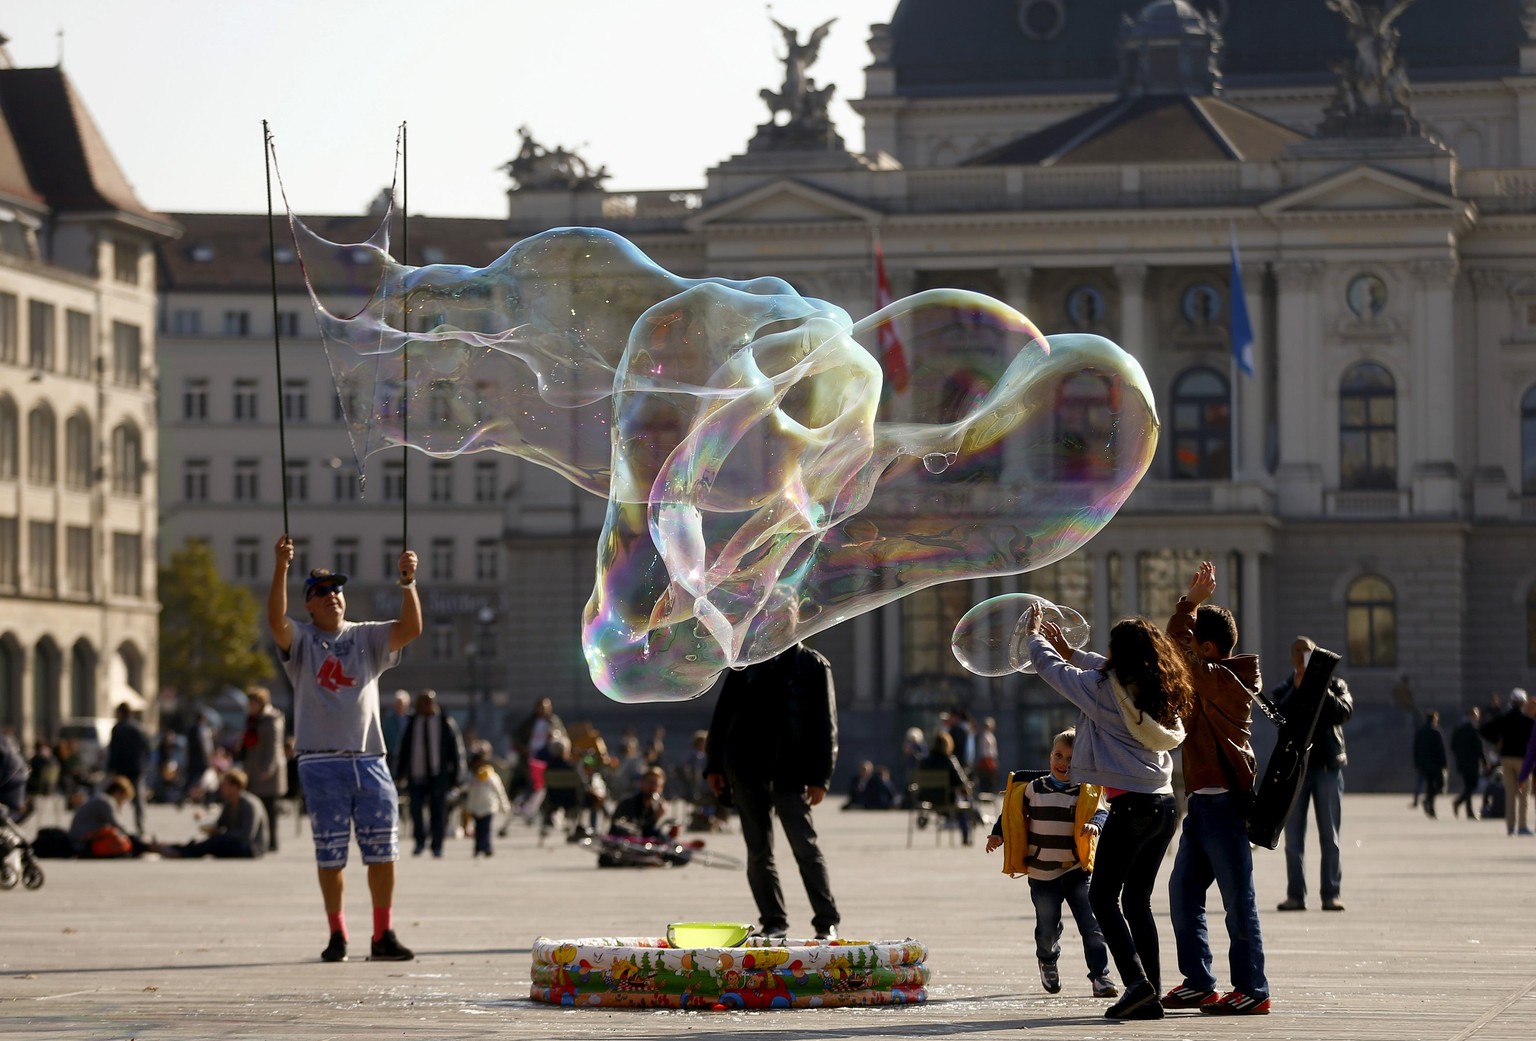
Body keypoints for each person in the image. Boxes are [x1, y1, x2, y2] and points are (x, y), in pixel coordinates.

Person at [1024, 607, 1190, 1021]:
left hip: (1133, 806)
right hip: (1164, 806)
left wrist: (1033, 638)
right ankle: (1147, 989)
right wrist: (1074, 652)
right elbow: (1104, 672)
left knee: (1101, 896)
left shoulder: (1101, 691)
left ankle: (1136, 986)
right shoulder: (1153, 686)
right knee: (1136, 901)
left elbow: (1051, 671)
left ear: (1120, 654)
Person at [268, 535, 422, 963]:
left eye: (337, 590)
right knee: (330, 853)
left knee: (383, 851)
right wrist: (281, 566)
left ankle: (382, 934)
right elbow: (275, 619)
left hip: (369, 758)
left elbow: (410, 630)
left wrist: (408, 584)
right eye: (322, 592)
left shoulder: (366, 638)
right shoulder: (299, 641)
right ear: (310, 605)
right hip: (320, 762)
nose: (333, 596)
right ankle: (337, 933)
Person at [1161, 562, 1270, 1016]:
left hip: (1225, 807)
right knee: (1183, 894)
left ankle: (1252, 988)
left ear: (1207, 648)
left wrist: (1190, 603)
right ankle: (1200, 981)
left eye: (1194, 644)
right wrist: (1192, 606)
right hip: (1201, 808)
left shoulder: (1227, 681)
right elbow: (1177, 648)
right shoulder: (1207, 675)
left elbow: (1174, 648)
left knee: (1236, 900)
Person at [705, 641, 840, 941]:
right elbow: (723, 714)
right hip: (746, 768)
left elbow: (826, 724)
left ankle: (826, 920)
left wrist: (821, 777)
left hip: (790, 771)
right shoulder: (747, 662)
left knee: (805, 847)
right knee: (758, 852)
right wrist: (714, 765)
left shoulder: (813, 664)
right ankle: (773, 920)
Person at [987, 728, 1115, 999]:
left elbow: (1100, 812)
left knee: (1091, 925)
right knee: (1047, 926)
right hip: (1042, 872)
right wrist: (998, 834)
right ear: (1049, 757)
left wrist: (1095, 824)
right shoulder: (1034, 788)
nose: (1064, 764)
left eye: (1072, 759)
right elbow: (1010, 812)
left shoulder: (1086, 791)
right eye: (1059, 755)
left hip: (1075, 869)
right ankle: (1047, 959)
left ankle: (1100, 975)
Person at [1271, 636, 1354, 912]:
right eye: (1297, 652)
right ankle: (1296, 895)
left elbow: (1343, 712)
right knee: (1293, 838)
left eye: (1307, 651)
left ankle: (1331, 893)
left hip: (1327, 767)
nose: (1302, 656)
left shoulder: (1335, 684)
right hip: (1296, 770)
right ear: (1291, 657)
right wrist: (1297, 688)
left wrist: (1320, 686)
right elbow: (1279, 716)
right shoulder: (1285, 686)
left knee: (1330, 836)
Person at [395, 689, 465, 858]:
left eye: (426, 702)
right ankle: (419, 842)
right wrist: (399, 773)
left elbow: (456, 750)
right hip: (416, 774)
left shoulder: (444, 722)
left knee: (438, 811)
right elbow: (403, 750)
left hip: (437, 775)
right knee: (416, 810)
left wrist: (457, 776)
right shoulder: (412, 723)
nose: (422, 706)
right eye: (420, 703)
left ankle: (437, 845)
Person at [159, 768, 270, 859]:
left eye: (225, 785)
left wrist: (223, 835)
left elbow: (246, 835)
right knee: (209, 843)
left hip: (252, 849)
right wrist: (206, 825)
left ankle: (180, 852)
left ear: (235, 786)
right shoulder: (229, 804)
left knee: (215, 843)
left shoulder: (249, 805)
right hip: (236, 843)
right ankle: (177, 848)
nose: (221, 788)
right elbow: (219, 824)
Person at [1479, 688, 1533, 836]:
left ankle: (1510, 827)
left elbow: (1484, 730)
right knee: (1523, 795)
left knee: (1509, 794)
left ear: (1511, 702)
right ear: (1523, 703)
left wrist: (1497, 741)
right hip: (1523, 759)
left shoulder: (1503, 719)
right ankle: (1522, 826)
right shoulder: (1528, 721)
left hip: (1506, 758)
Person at [240, 686, 287, 852]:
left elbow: (274, 746)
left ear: (260, 703)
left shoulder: (272, 719)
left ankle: (272, 842)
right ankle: (261, 839)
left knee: (269, 808)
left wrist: (268, 768)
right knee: (257, 806)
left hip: (267, 771)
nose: (250, 707)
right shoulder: (253, 720)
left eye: (252, 703)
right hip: (254, 768)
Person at [68, 775, 151, 858]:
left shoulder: (100, 799)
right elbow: (116, 825)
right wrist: (134, 838)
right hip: (82, 841)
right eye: (124, 799)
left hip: (79, 838)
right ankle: (148, 847)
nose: (122, 804)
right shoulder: (107, 801)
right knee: (122, 840)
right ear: (118, 792)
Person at [918, 731, 975, 845]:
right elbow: (961, 782)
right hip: (947, 800)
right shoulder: (950, 760)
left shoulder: (924, 761)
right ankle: (965, 834)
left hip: (927, 799)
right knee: (964, 800)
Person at [105, 702, 152, 834]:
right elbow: (147, 749)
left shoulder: (118, 728)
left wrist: (111, 769)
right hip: (137, 768)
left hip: (121, 768)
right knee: (138, 799)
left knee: (115, 798)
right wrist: (145, 765)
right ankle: (140, 825)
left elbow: (114, 751)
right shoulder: (140, 728)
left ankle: (113, 823)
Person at [464, 751, 510, 857]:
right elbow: (465, 789)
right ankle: (478, 847)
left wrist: (504, 805)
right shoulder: (471, 777)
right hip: (475, 807)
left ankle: (487, 847)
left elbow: (499, 791)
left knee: (486, 828)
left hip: (488, 807)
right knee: (478, 828)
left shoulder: (491, 776)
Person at [1450, 707, 1485, 820]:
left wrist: (1460, 755)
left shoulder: (1458, 728)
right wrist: (1484, 761)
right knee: (1472, 786)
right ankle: (1459, 802)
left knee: (1468, 786)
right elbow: (1479, 747)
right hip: (1472, 762)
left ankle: (1469, 811)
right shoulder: (1473, 729)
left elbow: (1453, 745)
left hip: (1462, 761)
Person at [1412, 710, 1447, 819]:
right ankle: (1428, 801)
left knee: (1430, 786)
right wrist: (1444, 764)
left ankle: (1431, 808)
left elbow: (1415, 749)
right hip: (1435, 764)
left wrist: (1417, 763)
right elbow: (1441, 749)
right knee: (1440, 785)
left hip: (1423, 764)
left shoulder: (1420, 731)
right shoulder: (1436, 731)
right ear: (1433, 719)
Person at [381, 690, 412, 775]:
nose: (400, 706)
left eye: (401, 704)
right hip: (391, 752)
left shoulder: (411, 719)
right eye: (398, 704)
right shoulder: (389, 719)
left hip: (407, 753)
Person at [976, 717, 1000, 795]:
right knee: (986, 778)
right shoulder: (985, 736)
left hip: (990, 760)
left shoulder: (990, 735)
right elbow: (985, 751)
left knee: (990, 779)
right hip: (986, 760)